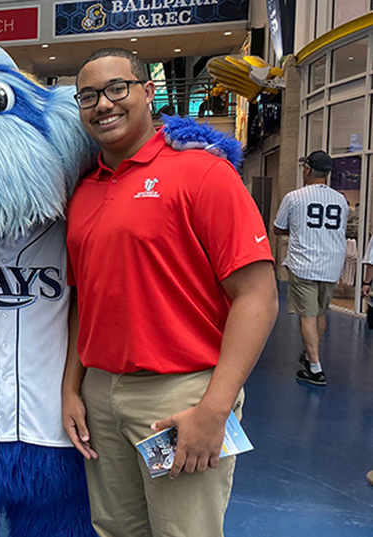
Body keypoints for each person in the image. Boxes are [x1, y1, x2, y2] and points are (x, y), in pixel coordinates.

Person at [62, 47, 278, 537]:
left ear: (148, 92)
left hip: (180, 393)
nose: (103, 104)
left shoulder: (201, 173)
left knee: (184, 530)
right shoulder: (84, 190)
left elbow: (258, 297)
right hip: (101, 394)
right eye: (89, 95)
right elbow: (83, 301)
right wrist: (71, 388)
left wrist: (214, 408)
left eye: (117, 88)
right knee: (116, 528)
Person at [273, 150, 347, 387]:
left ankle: (315, 369)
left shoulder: (294, 197)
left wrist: (296, 231)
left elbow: (278, 228)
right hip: (332, 263)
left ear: (307, 170)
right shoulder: (341, 200)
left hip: (304, 262)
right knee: (320, 312)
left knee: (307, 314)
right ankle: (311, 354)